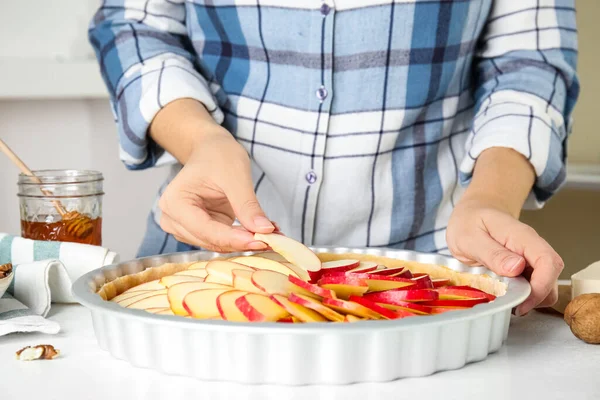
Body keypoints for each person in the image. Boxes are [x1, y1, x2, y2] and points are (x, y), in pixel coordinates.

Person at [89, 1, 579, 317]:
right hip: (205, 263)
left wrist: (490, 198)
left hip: (433, 268)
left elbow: (530, 65)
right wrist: (201, 142)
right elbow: (133, 25)